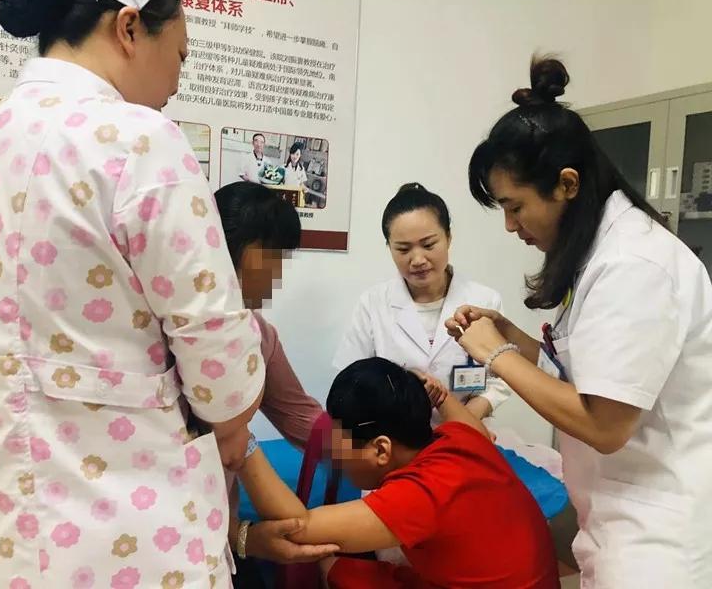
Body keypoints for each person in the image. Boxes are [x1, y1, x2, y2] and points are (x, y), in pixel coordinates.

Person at [0, 0, 266, 587]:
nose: (177, 82)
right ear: (129, 29)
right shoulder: (141, 140)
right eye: (181, 57)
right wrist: (234, 421)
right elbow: (218, 361)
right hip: (127, 537)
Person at [449, 56, 712, 588]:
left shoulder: (634, 264)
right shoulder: (601, 253)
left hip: (656, 537)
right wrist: (513, 338)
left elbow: (605, 424)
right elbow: (588, 372)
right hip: (616, 514)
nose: (510, 226)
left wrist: (495, 354)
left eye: (515, 206)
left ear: (567, 184)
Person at [237, 357, 560, 589]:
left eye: (339, 446)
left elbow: (298, 528)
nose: (334, 457)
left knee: (329, 563)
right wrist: (440, 396)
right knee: (338, 567)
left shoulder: (419, 495)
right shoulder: (460, 437)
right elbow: (474, 427)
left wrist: (241, 441)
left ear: (381, 450)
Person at [213, 182, 331, 585]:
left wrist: (389, 450)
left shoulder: (259, 336)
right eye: (278, 258)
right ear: (252, 253)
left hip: (223, 533)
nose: (279, 273)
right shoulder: (163, 337)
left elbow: (305, 420)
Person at [334, 183, 512, 422]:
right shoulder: (372, 304)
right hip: (396, 434)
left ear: (448, 238)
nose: (417, 259)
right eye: (403, 249)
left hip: (468, 430)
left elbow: (502, 377)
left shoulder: (484, 300)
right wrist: (398, 384)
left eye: (428, 245)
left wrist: (465, 421)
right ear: (389, 248)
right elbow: (351, 380)